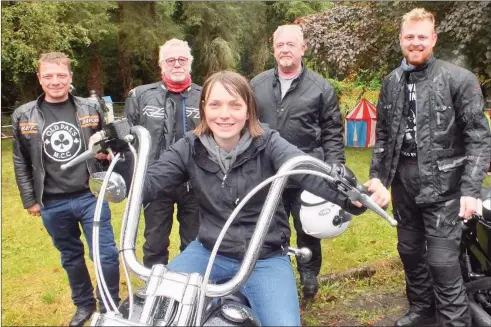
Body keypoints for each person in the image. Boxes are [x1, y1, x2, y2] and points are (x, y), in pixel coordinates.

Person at [97, 71, 389, 326]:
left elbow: (305, 169)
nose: (225, 114)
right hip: (209, 251)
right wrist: (120, 170)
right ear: (204, 109)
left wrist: (355, 197)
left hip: (266, 257)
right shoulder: (189, 147)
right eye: (215, 105)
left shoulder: (269, 142)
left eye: (235, 105)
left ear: (248, 110)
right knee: (153, 306)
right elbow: (151, 182)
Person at [366, 8, 491, 327]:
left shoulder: (459, 80)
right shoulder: (391, 81)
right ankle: (422, 308)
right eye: (410, 37)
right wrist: (377, 178)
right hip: (403, 184)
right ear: (401, 40)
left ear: (433, 39)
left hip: (446, 186)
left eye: (422, 37)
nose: (416, 42)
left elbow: (479, 136)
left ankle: (454, 321)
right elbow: (382, 135)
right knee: (409, 251)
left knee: (442, 261)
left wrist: (471, 189)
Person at [11, 52, 120, 326]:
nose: (55, 81)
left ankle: (110, 307)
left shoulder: (89, 107)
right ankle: (84, 306)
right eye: (48, 76)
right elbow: (20, 161)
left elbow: (108, 144)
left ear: (70, 77)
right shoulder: (24, 115)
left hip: (90, 195)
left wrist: (108, 157)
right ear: (39, 78)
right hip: (52, 202)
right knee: (71, 257)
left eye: (61, 75)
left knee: (104, 254)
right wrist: (29, 200)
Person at [250, 24, 346, 297]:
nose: (285, 49)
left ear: (303, 49)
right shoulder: (256, 86)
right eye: (280, 44)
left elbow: (332, 132)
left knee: (308, 227)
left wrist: (335, 166)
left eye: (291, 44)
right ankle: (276, 276)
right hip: (269, 172)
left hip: (307, 170)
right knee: (272, 228)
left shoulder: (320, 88)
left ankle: (308, 274)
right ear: (274, 49)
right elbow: (247, 127)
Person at [124, 39, 201, 269]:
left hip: (195, 180)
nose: (177, 64)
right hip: (156, 180)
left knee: (195, 242)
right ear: (161, 64)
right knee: (155, 242)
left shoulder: (205, 95)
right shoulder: (140, 95)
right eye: (171, 60)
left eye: (182, 59)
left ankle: (192, 288)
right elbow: (128, 138)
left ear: (190, 63)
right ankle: (153, 288)